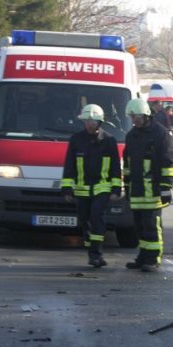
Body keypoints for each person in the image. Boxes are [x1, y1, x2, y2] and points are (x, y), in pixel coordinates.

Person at [60, 104, 121, 268]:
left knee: (97, 217)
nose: (89, 124)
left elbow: (116, 166)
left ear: (100, 122)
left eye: (93, 121)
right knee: (84, 220)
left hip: (102, 188)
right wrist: (66, 188)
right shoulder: (76, 140)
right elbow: (69, 165)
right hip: (82, 189)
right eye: (87, 120)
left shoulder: (109, 140)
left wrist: (116, 189)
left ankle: (96, 253)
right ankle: (91, 247)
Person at [122, 98, 173, 272]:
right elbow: (128, 163)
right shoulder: (131, 135)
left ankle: (153, 258)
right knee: (139, 227)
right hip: (137, 190)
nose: (133, 120)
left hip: (153, 190)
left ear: (145, 115)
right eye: (131, 117)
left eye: (136, 116)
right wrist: (127, 185)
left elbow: (168, 162)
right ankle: (143, 256)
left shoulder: (160, 134)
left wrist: (166, 188)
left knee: (152, 226)